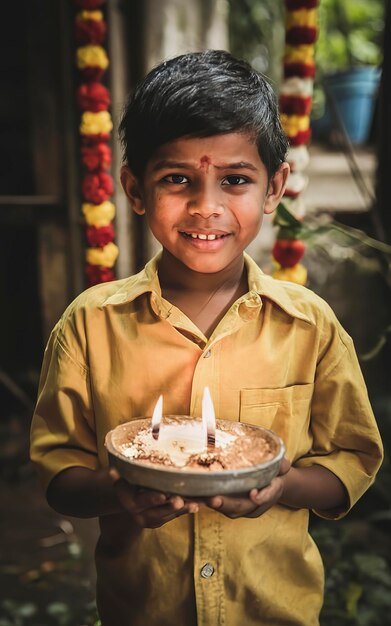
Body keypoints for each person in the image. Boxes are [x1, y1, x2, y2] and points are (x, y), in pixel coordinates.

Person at [30, 50, 383, 626]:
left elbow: (352, 459)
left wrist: (285, 485)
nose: (206, 207)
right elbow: (59, 473)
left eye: (236, 180)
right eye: (177, 179)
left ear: (275, 188)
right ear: (134, 188)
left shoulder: (309, 327)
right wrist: (116, 491)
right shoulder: (89, 325)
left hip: (274, 611)